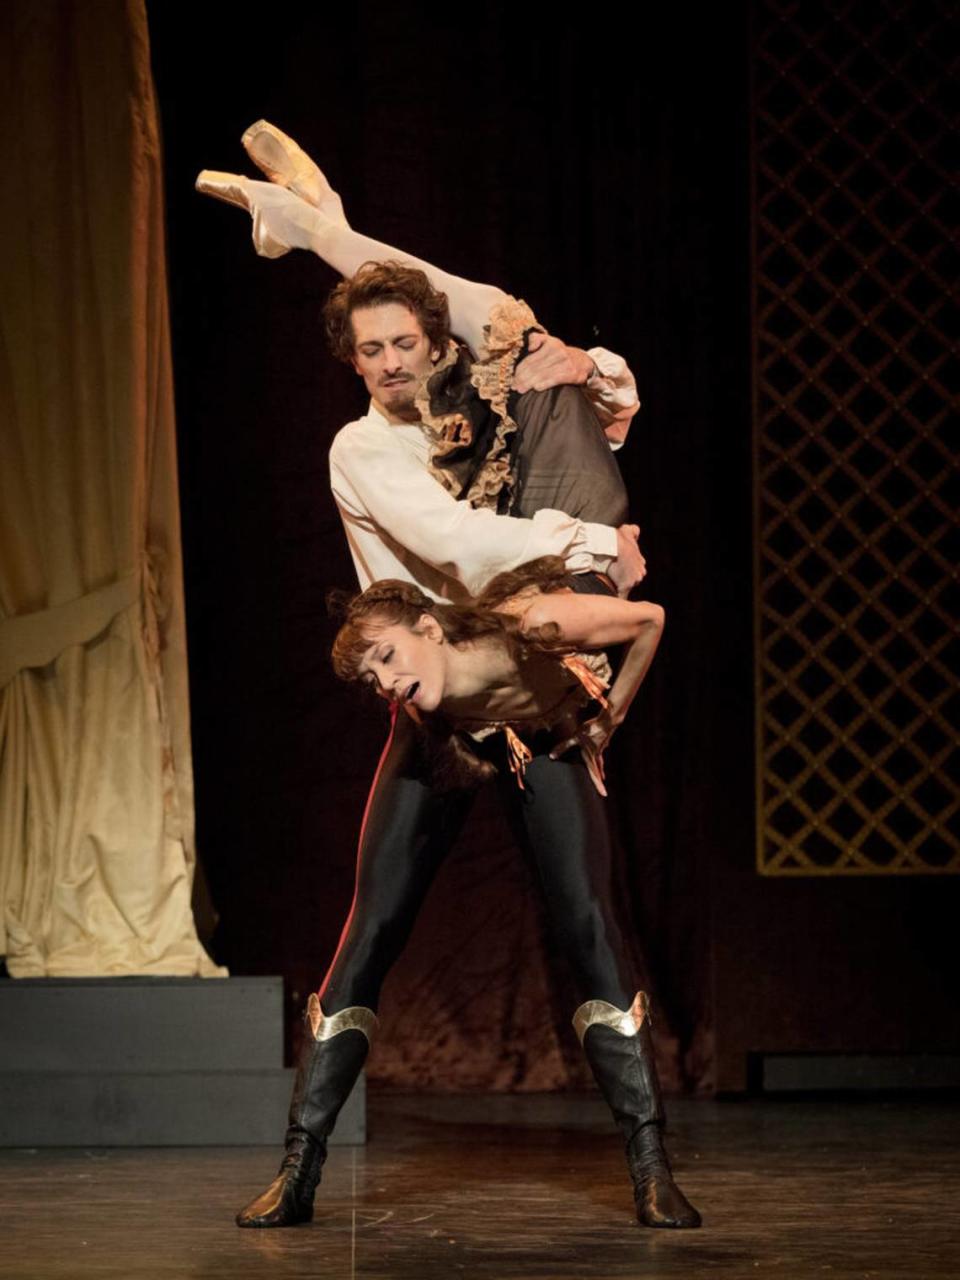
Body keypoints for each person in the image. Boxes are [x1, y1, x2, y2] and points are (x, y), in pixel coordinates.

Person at [196, 124, 700, 1231]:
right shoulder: (362, 451)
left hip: (528, 703)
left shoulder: (478, 396)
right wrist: (583, 544)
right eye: (367, 346)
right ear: (352, 361)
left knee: (587, 921)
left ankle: (655, 1168)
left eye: (402, 340)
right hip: (439, 716)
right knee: (369, 929)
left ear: (423, 343)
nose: (389, 359)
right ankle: (300, 1166)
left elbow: (495, 317)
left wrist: (329, 235)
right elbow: (459, 547)